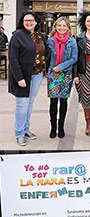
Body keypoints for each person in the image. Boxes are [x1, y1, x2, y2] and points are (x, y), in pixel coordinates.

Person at [8, 11, 46, 146]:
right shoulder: (17, 36)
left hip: (37, 75)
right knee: (22, 105)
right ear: (23, 22)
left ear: (36, 22)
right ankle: (19, 133)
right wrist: (19, 78)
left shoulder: (40, 36)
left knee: (29, 103)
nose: (29, 23)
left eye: (31, 20)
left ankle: (25, 129)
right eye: (26, 21)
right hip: (22, 77)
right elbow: (12, 59)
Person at [47, 17, 78, 139]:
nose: (61, 28)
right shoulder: (50, 40)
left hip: (66, 74)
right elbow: (47, 56)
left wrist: (60, 67)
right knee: (53, 101)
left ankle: (61, 127)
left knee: (63, 101)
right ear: (55, 26)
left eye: (64, 26)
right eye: (59, 25)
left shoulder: (72, 41)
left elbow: (74, 58)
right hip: (53, 74)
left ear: (68, 28)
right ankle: (53, 127)